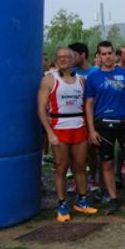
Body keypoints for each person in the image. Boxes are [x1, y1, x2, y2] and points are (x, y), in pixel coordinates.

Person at [38, 47, 98, 222]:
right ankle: (62, 203)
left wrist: (89, 129)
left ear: (73, 59)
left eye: (67, 57)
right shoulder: (49, 80)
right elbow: (41, 109)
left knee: (80, 166)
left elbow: (88, 106)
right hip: (59, 126)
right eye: (60, 57)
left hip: (79, 125)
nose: (63, 59)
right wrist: (49, 133)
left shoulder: (81, 80)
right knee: (61, 168)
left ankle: (82, 200)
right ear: (56, 60)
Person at [84, 41, 125, 215]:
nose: (107, 56)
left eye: (110, 53)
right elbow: (88, 104)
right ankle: (113, 198)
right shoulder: (93, 77)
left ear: (114, 55)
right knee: (107, 163)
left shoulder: (124, 74)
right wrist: (91, 129)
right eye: (104, 54)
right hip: (103, 124)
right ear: (99, 57)